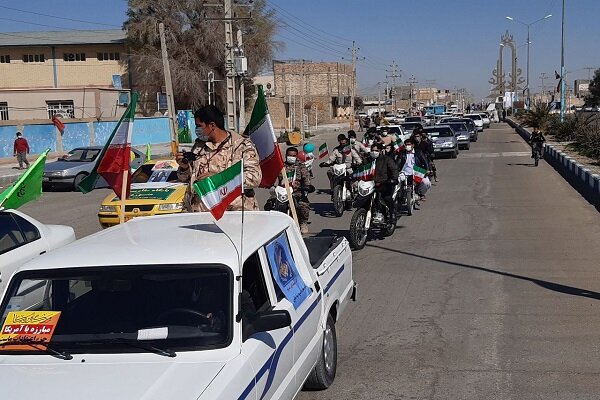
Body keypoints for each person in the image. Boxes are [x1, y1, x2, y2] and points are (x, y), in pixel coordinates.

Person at [176, 105, 262, 212]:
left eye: (199, 126)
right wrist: (184, 167)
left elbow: (254, 178)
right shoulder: (199, 146)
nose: (197, 130)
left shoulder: (242, 146)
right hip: (199, 213)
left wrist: (219, 179)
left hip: (232, 214)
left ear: (212, 125)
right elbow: (189, 179)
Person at [278, 147, 312, 234]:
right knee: (271, 205)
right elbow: (273, 177)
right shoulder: (281, 166)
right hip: (282, 192)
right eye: (289, 155)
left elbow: (306, 178)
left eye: (293, 155)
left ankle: (303, 223)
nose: (291, 157)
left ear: (296, 156)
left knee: (303, 205)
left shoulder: (301, 166)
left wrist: (307, 186)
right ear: (286, 155)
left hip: (297, 192)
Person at [396, 138, 432, 203]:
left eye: (409, 144)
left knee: (426, 183)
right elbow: (397, 163)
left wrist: (428, 170)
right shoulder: (401, 153)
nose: (407, 146)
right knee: (396, 182)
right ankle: (399, 196)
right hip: (404, 173)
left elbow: (425, 162)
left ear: (413, 145)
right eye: (406, 145)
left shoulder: (419, 152)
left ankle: (420, 193)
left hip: (417, 172)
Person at [370, 142, 398, 221]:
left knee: (386, 197)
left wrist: (394, 178)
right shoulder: (367, 159)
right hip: (370, 184)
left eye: (376, 150)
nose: (374, 152)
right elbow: (361, 170)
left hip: (384, 183)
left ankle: (392, 213)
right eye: (372, 150)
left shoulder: (386, 159)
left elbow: (394, 169)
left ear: (381, 151)